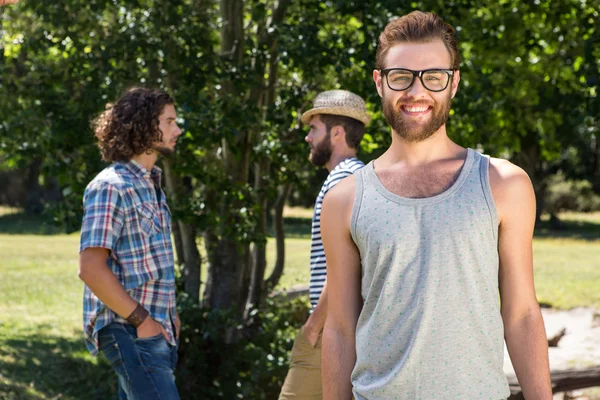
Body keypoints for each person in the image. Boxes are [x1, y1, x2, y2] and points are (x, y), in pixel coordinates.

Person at [321, 11, 552, 400]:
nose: (416, 91)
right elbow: (340, 328)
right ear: (380, 82)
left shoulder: (504, 184)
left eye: (433, 76)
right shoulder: (345, 199)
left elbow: (522, 314)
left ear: (453, 83)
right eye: (401, 77)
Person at [78, 87, 183, 399]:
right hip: (129, 329)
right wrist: (143, 321)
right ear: (143, 125)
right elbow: (91, 269)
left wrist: (168, 316)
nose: (177, 129)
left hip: (154, 331)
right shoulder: (110, 187)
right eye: (169, 121)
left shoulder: (151, 185)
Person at [279, 90, 371, 399]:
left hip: (333, 328)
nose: (307, 138)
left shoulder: (342, 183)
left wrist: (314, 327)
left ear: (337, 133)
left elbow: (346, 267)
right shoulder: (360, 178)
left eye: (313, 129)